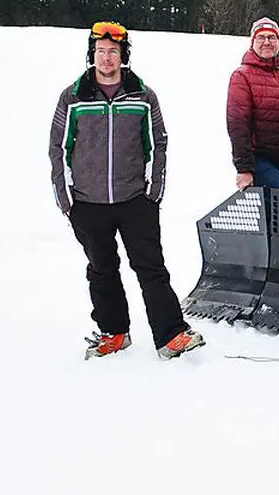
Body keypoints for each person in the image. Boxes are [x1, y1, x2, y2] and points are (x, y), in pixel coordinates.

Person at [49, 21, 205, 360]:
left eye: (113, 52)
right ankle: (115, 333)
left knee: (151, 267)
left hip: (136, 199)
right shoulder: (73, 97)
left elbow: (158, 144)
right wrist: (66, 199)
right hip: (88, 203)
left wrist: (154, 191)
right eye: (101, 52)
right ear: (92, 55)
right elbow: (59, 149)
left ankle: (171, 335)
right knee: (101, 269)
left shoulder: (143, 95)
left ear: (123, 56)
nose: (106, 59)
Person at [227, 17, 279, 190]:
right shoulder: (242, 76)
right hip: (260, 159)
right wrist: (244, 168)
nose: (267, 42)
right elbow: (238, 124)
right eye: (261, 37)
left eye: (271, 37)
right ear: (253, 42)